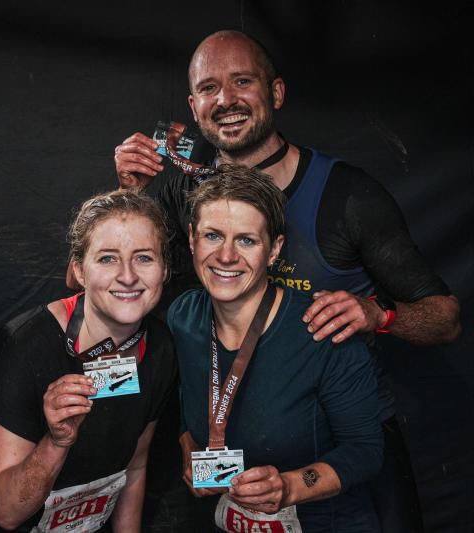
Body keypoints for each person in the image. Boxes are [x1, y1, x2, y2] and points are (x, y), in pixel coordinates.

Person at [111, 30, 461, 531]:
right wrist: (129, 197)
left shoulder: (346, 195)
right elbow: (106, 292)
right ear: (193, 106)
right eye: (209, 88)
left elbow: (446, 320)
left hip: (344, 445)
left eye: (242, 82)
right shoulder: (182, 193)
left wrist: (377, 315)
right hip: (233, 449)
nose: (225, 100)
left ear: (275, 92)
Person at [172, 164, 383, 532]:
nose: (226, 256)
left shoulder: (321, 328)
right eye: (212, 236)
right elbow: (183, 400)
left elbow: (365, 451)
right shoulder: (184, 317)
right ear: (192, 239)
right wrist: (189, 450)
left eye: (246, 240)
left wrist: (290, 486)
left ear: (274, 250)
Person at [0, 191, 177, 532]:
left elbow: (134, 468)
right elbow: (5, 512)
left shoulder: (160, 346)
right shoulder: (26, 342)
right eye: (107, 259)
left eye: (144, 258)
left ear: (165, 269)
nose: (128, 276)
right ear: (80, 272)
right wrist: (56, 442)